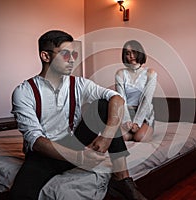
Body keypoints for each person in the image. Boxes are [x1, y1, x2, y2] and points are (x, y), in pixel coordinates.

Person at [10, 30, 147, 200]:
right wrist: (80, 158)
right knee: (20, 193)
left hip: (74, 141)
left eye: (74, 54)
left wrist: (107, 135)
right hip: (45, 153)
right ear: (45, 56)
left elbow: (117, 98)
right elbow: (36, 141)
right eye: (65, 54)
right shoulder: (24, 92)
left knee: (104, 105)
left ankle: (122, 179)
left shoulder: (79, 83)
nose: (73, 59)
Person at [115, 40, 157, 142]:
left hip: (144, 114)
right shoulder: (120, 73)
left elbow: (146, 100)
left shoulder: (150, 73)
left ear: (140, 53)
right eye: (128, 53)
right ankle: (129, 133)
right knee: (123, 138)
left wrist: (137, 123)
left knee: (139, 138)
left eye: (134, 52)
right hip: (126, 113)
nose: (131, 56)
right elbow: (121, 99)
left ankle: (142, 129)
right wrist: (126, 121)